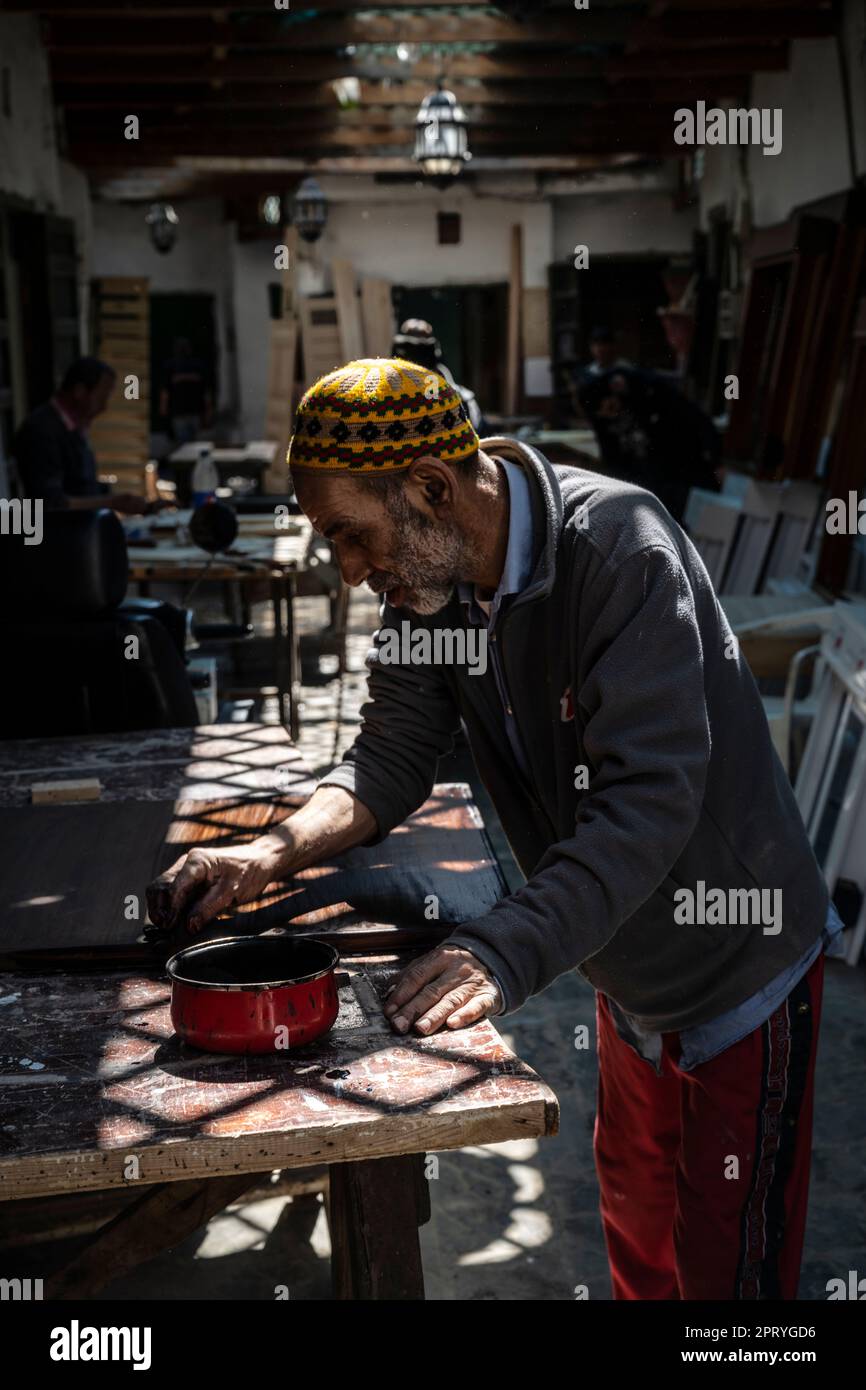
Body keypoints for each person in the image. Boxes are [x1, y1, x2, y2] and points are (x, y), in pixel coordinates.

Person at [148, 357, 837, 1301]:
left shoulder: (619, 550)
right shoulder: (427, 584)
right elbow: (386, 761)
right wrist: (270, 850)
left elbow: (647, 804)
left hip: (737, 963)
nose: (351, 573)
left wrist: (503, 951)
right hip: (620, 959)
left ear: (432, 487)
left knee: (729, 1272)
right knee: (640, 1239)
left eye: (352, 536)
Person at [578, 364, 721, 523]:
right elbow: (612, 459)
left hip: (683, 469)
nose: (612, 415)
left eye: (612, 407)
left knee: (705, 521)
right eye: (606, 414)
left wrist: (716, 458)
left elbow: (695, 418)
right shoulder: (601, 417)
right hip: (651, 487)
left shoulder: (647, 389)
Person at [13, 356, 151, 514]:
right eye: (102, 398)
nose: (104, 407)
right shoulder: (41, 431)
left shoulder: (73, 428)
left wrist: (138, 504)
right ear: (80, 392)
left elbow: (81, 485)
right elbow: (50, 502)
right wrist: (111, 502)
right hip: (55, 535)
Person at [391, 318, 487, 435]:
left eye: (420, 350)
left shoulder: (454, 394)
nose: (414, 359)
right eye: (409, 348)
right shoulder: (390, 388)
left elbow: (474, 432)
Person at [159, 337, 213, 444]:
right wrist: (208, 411)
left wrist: (163, 408)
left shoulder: (171, 366)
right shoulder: (198, 365)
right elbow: (206, 392)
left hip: (179, 410)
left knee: (182, 444)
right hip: (196, 410)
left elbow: (165, 392)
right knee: (196, 444)